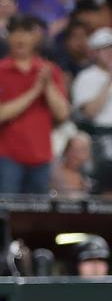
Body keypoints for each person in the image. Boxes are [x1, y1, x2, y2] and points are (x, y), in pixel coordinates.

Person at [0, 14, 69, 194]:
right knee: (7, 213)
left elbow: (62, 113)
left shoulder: (49, 70)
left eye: (26, 32)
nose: (21, 38)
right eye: (15, 32)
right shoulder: (1, 70)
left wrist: (48, 86)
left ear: (35, 37)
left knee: (38, 217)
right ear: (8, 37)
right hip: (7, 155)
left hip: (41, 155)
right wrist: (34, 92)